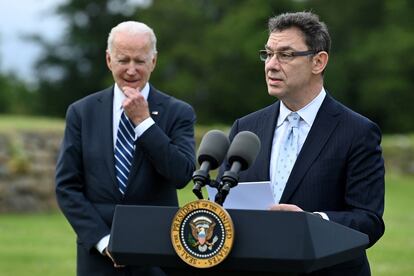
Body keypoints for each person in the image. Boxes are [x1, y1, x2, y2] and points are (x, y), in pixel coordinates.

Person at [219, 12, 384, 275]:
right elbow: (223, 203)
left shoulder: (358, 132)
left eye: (285, 55)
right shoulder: (246, 128)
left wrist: (312, 222)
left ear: (318, 62)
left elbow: (369, 221)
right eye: (268, 53)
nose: (271, 65)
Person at [55, 21, 196, 275]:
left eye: (140, 61)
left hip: (159, 256)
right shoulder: (82, 112)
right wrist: (103, 241)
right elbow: (67, 187)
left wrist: (144, 123)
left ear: (153, 61)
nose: (131, 70)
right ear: (109, 59)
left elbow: (182, 175)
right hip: (98, 259)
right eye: (123, 60)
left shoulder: (178, 112)